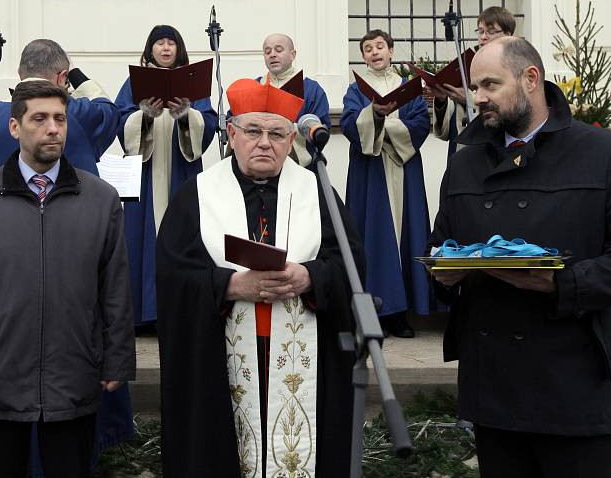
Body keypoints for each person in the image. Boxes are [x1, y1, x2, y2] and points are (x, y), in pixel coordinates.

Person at [428, 37, 611, 477]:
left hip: (575, 390)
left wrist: (562, 283)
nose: (476, 97)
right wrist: (443, 274)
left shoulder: (606, 154)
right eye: (475, 86)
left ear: (530, 79)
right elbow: (441, 247)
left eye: (489, 84)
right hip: (493, 393)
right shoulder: (464, 165)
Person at [0, 39, 132, 472]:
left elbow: (113, 287)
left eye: (60, 118)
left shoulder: (100, 200)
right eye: (39, 118)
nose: (54, 128)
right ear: (15, 126)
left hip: (71, 366)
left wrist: (117, 357)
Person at [156, 78, 365, 477]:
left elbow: (350, 263)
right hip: (220, 358)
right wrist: (230, 285)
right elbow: (171, 276)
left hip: (303, 354)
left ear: (291, 141)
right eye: (253, 131)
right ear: (232, 134)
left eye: (276, 133)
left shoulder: (317, 191)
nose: (264, 143)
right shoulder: (196, 194)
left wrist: (310, 277)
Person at [114, 24, 217, 327]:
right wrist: (143, 115)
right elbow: (121, 122)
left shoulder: (191, 83)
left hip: (180, 175)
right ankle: (144, 314)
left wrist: (187, 116)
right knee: (141, 239)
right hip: (145, 178)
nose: (165, 48)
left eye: (171, 43)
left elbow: (208, 124)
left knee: (183, 235)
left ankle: (180, 312)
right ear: (150, 49)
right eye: (159, 43)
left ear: (178, 49)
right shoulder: (134, 82)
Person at [342, 29, 431, 337]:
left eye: (380, 46)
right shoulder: (356, 91)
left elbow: (420, 125)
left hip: (404, 172)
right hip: (371, 175)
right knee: (373, 237)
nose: (374, 52)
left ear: (391, 51)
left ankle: (401, 314)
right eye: (368, 48)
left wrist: (384, 122)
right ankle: (375, 313)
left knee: (407, 235)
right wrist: (374, 115)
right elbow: (350, 126)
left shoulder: (410, 88)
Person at [0, 38, 119, 181]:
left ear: (20, 74)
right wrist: (75, 73)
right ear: (62, 77)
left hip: (5, 223)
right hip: (69, 224)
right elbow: (109, 111)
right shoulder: (79, 113)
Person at [427, 6, 516, 152]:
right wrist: (442, 99)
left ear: (508, 34)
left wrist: (468, 99)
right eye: (480, 31)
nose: (483, 36)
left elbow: (511, 111)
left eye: (491, 31)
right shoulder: (467, 65)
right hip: (462, 149)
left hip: (494, 148)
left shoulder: (514, 66)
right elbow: (451, 126)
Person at [257, 33, 330, 170]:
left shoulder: (311, 89)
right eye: (267, 51)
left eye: (278, 50)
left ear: (293, 54)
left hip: (301, 168)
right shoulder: (255, 87)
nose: (272, 54)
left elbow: (321, 131)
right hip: (260, 169)